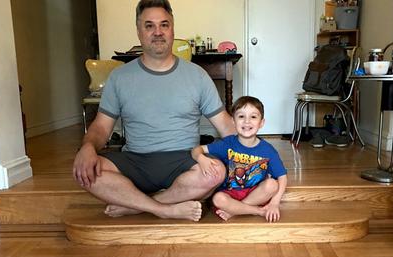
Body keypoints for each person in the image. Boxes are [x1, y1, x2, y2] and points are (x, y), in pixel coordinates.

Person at [72, 0, 235, 222]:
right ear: (139, 32)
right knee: (85, 171)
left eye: (164, 25)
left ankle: (136, 205)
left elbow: (225, 124)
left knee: (217, 172)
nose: (157, 32)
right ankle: (165, 207)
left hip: (184, 159)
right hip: (135, 160)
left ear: (172, 29)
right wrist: (88, 147)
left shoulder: (197, 75)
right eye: (149, 26)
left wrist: (251, 155)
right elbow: (101, 127)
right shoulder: (120, 77)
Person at [191, 96, 287, 222]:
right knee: (218, 199)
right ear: (233, 121)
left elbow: (282, 177)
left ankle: (235, 211)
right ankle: (258, 211)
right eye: (241, 116)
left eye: (253, 117)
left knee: (272, 185)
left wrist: (274, 203)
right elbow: (197, 150)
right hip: (230, 194)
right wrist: (201, 159)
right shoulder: (227, 144)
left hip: (255, 193)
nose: (247, 122)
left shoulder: (268, 150)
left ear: (261, 123)